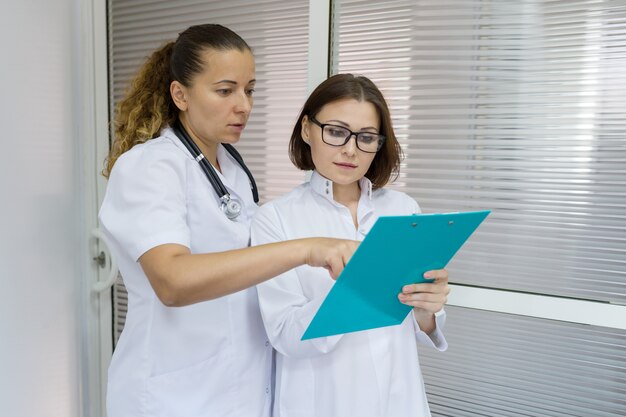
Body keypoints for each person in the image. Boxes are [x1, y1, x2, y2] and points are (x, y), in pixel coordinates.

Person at [98, 24, 358, 417]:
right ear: (180, 94)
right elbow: (172, 281)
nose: (244, 105)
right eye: (225, 91)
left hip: (240, 388)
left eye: (249, 90)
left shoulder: (231, 167)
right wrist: (306, 250)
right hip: (173, 395)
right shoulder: (150, 166)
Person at [251, 73, 450, 417]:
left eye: (366, 137)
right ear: (306, 130)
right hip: (322, 402)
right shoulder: (274, 219)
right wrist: (353, 290)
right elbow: (284, 335)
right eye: (336, 131)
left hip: (398, 399)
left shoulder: (403, 210)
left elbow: (418, 326)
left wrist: (426, 310)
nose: (350, 149)